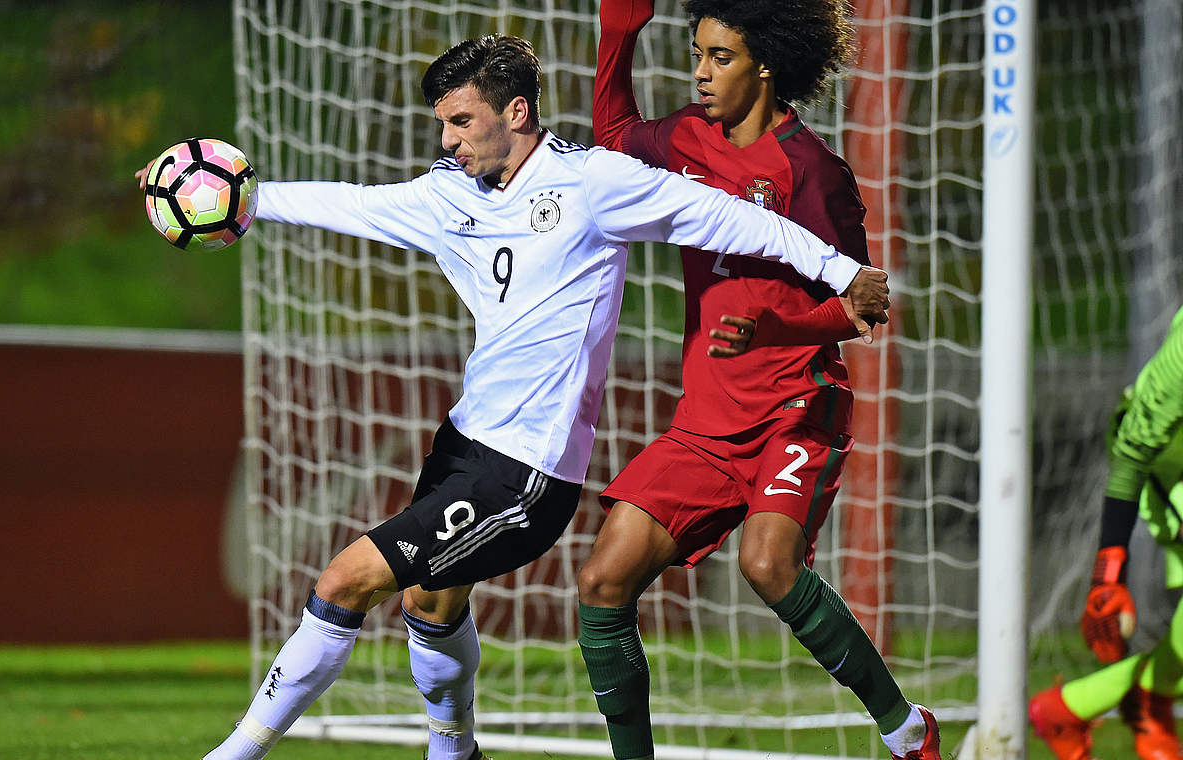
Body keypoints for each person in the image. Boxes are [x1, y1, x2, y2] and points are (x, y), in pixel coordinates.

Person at [140, 34, 889, 760]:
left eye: (462, 120)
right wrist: (245, 198)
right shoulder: (449, 193)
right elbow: (355, 205)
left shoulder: (594, 184)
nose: (448, 139)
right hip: (467, 442)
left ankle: (233, 753)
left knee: (344, 582)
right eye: (443, 123)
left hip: (526, 474)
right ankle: (456, 752)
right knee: (428, 605)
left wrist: (839, 271)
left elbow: (733, 217)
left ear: (518, 112)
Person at [576, 2, 941, 759]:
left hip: (797, 407)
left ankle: (908, 732)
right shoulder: (685, 137)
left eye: (721, 57)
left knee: (768, 563)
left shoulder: (812, 172)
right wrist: (620, 31)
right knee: (603, 581)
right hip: (706, 422)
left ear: (766, 64)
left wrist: (778, 329)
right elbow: (613, 142)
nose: (701, 74)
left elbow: (865, 304)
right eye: (697, 54)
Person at [1029, 304, 1183, 760]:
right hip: (1169, 468)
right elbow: (1132, 456)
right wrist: (1109, 573)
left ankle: (1074, 708)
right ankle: (1136, 702)